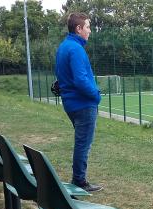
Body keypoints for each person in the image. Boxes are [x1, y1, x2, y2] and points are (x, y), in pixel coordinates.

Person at [55, 12, 102, 192]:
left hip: (71, 103)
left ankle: (79, 178)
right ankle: (79, 181)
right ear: (79, 28)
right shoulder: (75, 49)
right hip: (83, 104)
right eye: (88, 27)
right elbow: (81, 80)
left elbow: (61, 75)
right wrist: (96, 95)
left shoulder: (64, 47)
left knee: (81, 142)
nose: (90, 31)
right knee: (83, 143)